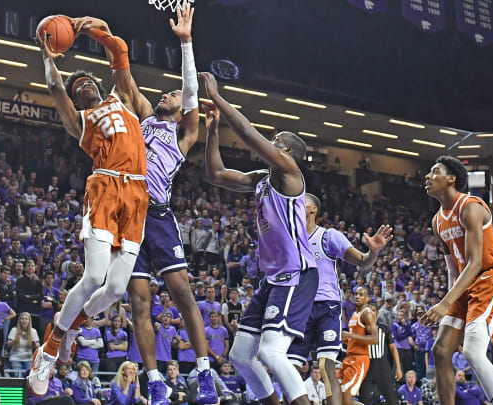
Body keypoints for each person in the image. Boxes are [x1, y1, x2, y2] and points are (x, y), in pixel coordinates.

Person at [28, 14, 151, 401]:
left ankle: (74, 325)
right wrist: (48, 57)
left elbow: (120, 50)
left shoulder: (124, 98)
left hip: (138, 195)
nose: (81, 85)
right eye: (76, 84)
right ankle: (49, 347)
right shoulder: (80, 120)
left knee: (116, 287)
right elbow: (55, 91)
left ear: (98, 85)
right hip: (105, 187)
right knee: (96, 275)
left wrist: (92, 30)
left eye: (85, 81)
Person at [201, 71, 317, 405]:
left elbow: (250, 134)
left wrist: (219, 98)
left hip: (296, 273)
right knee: (240, 355)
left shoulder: (290, 175)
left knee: (270, 351)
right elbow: (216, 175)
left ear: (286, 152)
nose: (270, 143)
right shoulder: (261, 179)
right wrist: (212, 131)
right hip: (273, 278)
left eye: (276, 141)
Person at [121, 4, 217, 402]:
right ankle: (156, 380)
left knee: (181, 292)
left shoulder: (183, 134)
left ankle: (205, 371)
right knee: (139, 302)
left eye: (173, 94)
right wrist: (115, 47)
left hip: (158, 215)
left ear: (182, 111)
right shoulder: (145, 117)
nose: (167, 93)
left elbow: (191, 93)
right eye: (167, 92)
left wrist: (187, 43)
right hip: (127, 216)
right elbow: (125, 82)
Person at [422, 156, 493, 405]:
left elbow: (473, 263)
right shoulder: (437, 221)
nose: (427, 177)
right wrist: (447, 304)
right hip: (464, 283)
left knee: (472, 351)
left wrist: (444, 303)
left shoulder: (471, 207)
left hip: (489, 278)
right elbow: (454, 269)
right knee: (440, 351)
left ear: (451, 179)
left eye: (434, 171)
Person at [288, 193, 392, 405]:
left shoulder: (328, 236)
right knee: (291, 367)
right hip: (299, 307)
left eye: (302, 202)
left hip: (326, 306)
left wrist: (373, 251)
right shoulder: (290, 239)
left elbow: (363, 261)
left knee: (327, 365)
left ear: (313, 210)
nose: (296, 205)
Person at [338, 287, 378, 405]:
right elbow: (355, 338)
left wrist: (351, 335)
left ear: (368, 298)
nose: (357, 296)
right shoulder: (355, 314)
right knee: (339, 398)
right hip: (349, 357)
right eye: (356, 294)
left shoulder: (367, 314)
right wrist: (346, 339)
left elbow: (375, 339)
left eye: (361, 295)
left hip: (359, 359)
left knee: (346, 399)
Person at [358, 305, 402, 405]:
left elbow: (393, 349)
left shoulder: (384, 328)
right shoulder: (360, 329)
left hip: (382, 365)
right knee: (364, 399)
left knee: (392, 399)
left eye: (373, 311)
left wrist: (398, 368)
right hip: (366, 366)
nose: (370, 313)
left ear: (377, 313)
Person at [8, 312, 40, 377]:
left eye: (26, 319)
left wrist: (34, 344)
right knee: (17, 376)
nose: (24, 321)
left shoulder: (33, 331)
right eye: (22, 319)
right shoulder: (14, 330)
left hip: (28, 358)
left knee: (29, 376)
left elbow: (38, 346)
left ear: (29, 321)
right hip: (15, 357)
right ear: (19, 320)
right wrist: (16, 339)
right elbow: (8, 345)